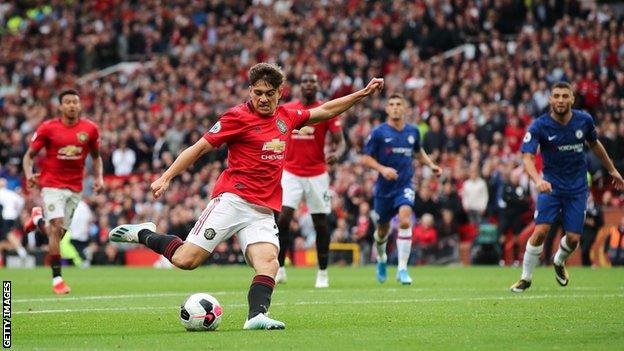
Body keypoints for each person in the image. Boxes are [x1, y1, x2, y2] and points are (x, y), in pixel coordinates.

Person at [109, 63, 383, 330]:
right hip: (232, 200)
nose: (263, 98)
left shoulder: (287, 117)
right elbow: (199, 148)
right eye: (257, 92)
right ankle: (145, 233)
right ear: (250, 91)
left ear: (280, 92)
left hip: (262, 211)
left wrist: (361, 94)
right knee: (185, 260)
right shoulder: (236, 117)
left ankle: (256, 316)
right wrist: (167, 176)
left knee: (269, 262)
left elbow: (325, 109)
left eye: (269, 93)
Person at [510, 82, 624, 292]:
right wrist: (537, 180)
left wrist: (612, 169)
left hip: (577, 188)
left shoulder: (584, 121)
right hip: (550, 187)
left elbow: (595, 144)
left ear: (572, 99)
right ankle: (525, 278)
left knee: (573, 239)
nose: (560, 100)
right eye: (556, 96)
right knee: (541, 231)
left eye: (565, 96)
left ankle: (559, 260)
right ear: (550, 100)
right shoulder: (539, 126)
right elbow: (527, 157)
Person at [22, 89, 104, 294]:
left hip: (75, 187)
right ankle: (57, 278)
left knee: (57, 234)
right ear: (60, 106)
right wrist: (29, 173)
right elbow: (29, 155)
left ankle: (38, 219)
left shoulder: (90, 129)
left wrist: (99, 178)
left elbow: (96, 156)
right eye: (67, 102)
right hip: (51, 185)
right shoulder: (48, 128)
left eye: (75, 102)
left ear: (80, 105)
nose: (72, 105)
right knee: (57, 227)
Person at [361, 93, 441, 285]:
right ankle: (381, 259)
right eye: (392, 104)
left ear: (404, 108)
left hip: (404, 185)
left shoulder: (413, 131)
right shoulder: (379, 132)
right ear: (387, 109)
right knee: (382, 231)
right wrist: (382, 169)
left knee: (405, 220)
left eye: (399, 104)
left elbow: (418, 152)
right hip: (383, 189)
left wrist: (431, 165)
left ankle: (402, 269)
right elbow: (365, 158)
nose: (395, 107)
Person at [276, 72, 346, 288]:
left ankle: (323, 272)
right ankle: (280, 268)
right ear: (299, 86)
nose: (308, 84)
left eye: (312, 81)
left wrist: (337, 154)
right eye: (304, 81)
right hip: (291, 172)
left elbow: (341, 142)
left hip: (317, 173)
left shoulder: (325, 110)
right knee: (284, 218)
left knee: (321, 223)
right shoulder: (288, 109)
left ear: (316, 86)